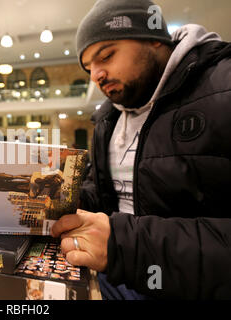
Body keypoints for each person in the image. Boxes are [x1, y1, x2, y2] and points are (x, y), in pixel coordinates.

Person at [51, 0, 231, 299]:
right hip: (107, 275)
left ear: (154, 39)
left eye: (106, 55)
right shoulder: (108, 119)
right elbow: (105, 194)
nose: (96, 75)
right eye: (89, 67)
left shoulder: (223, 88)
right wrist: (63, 199)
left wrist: (126, 246)